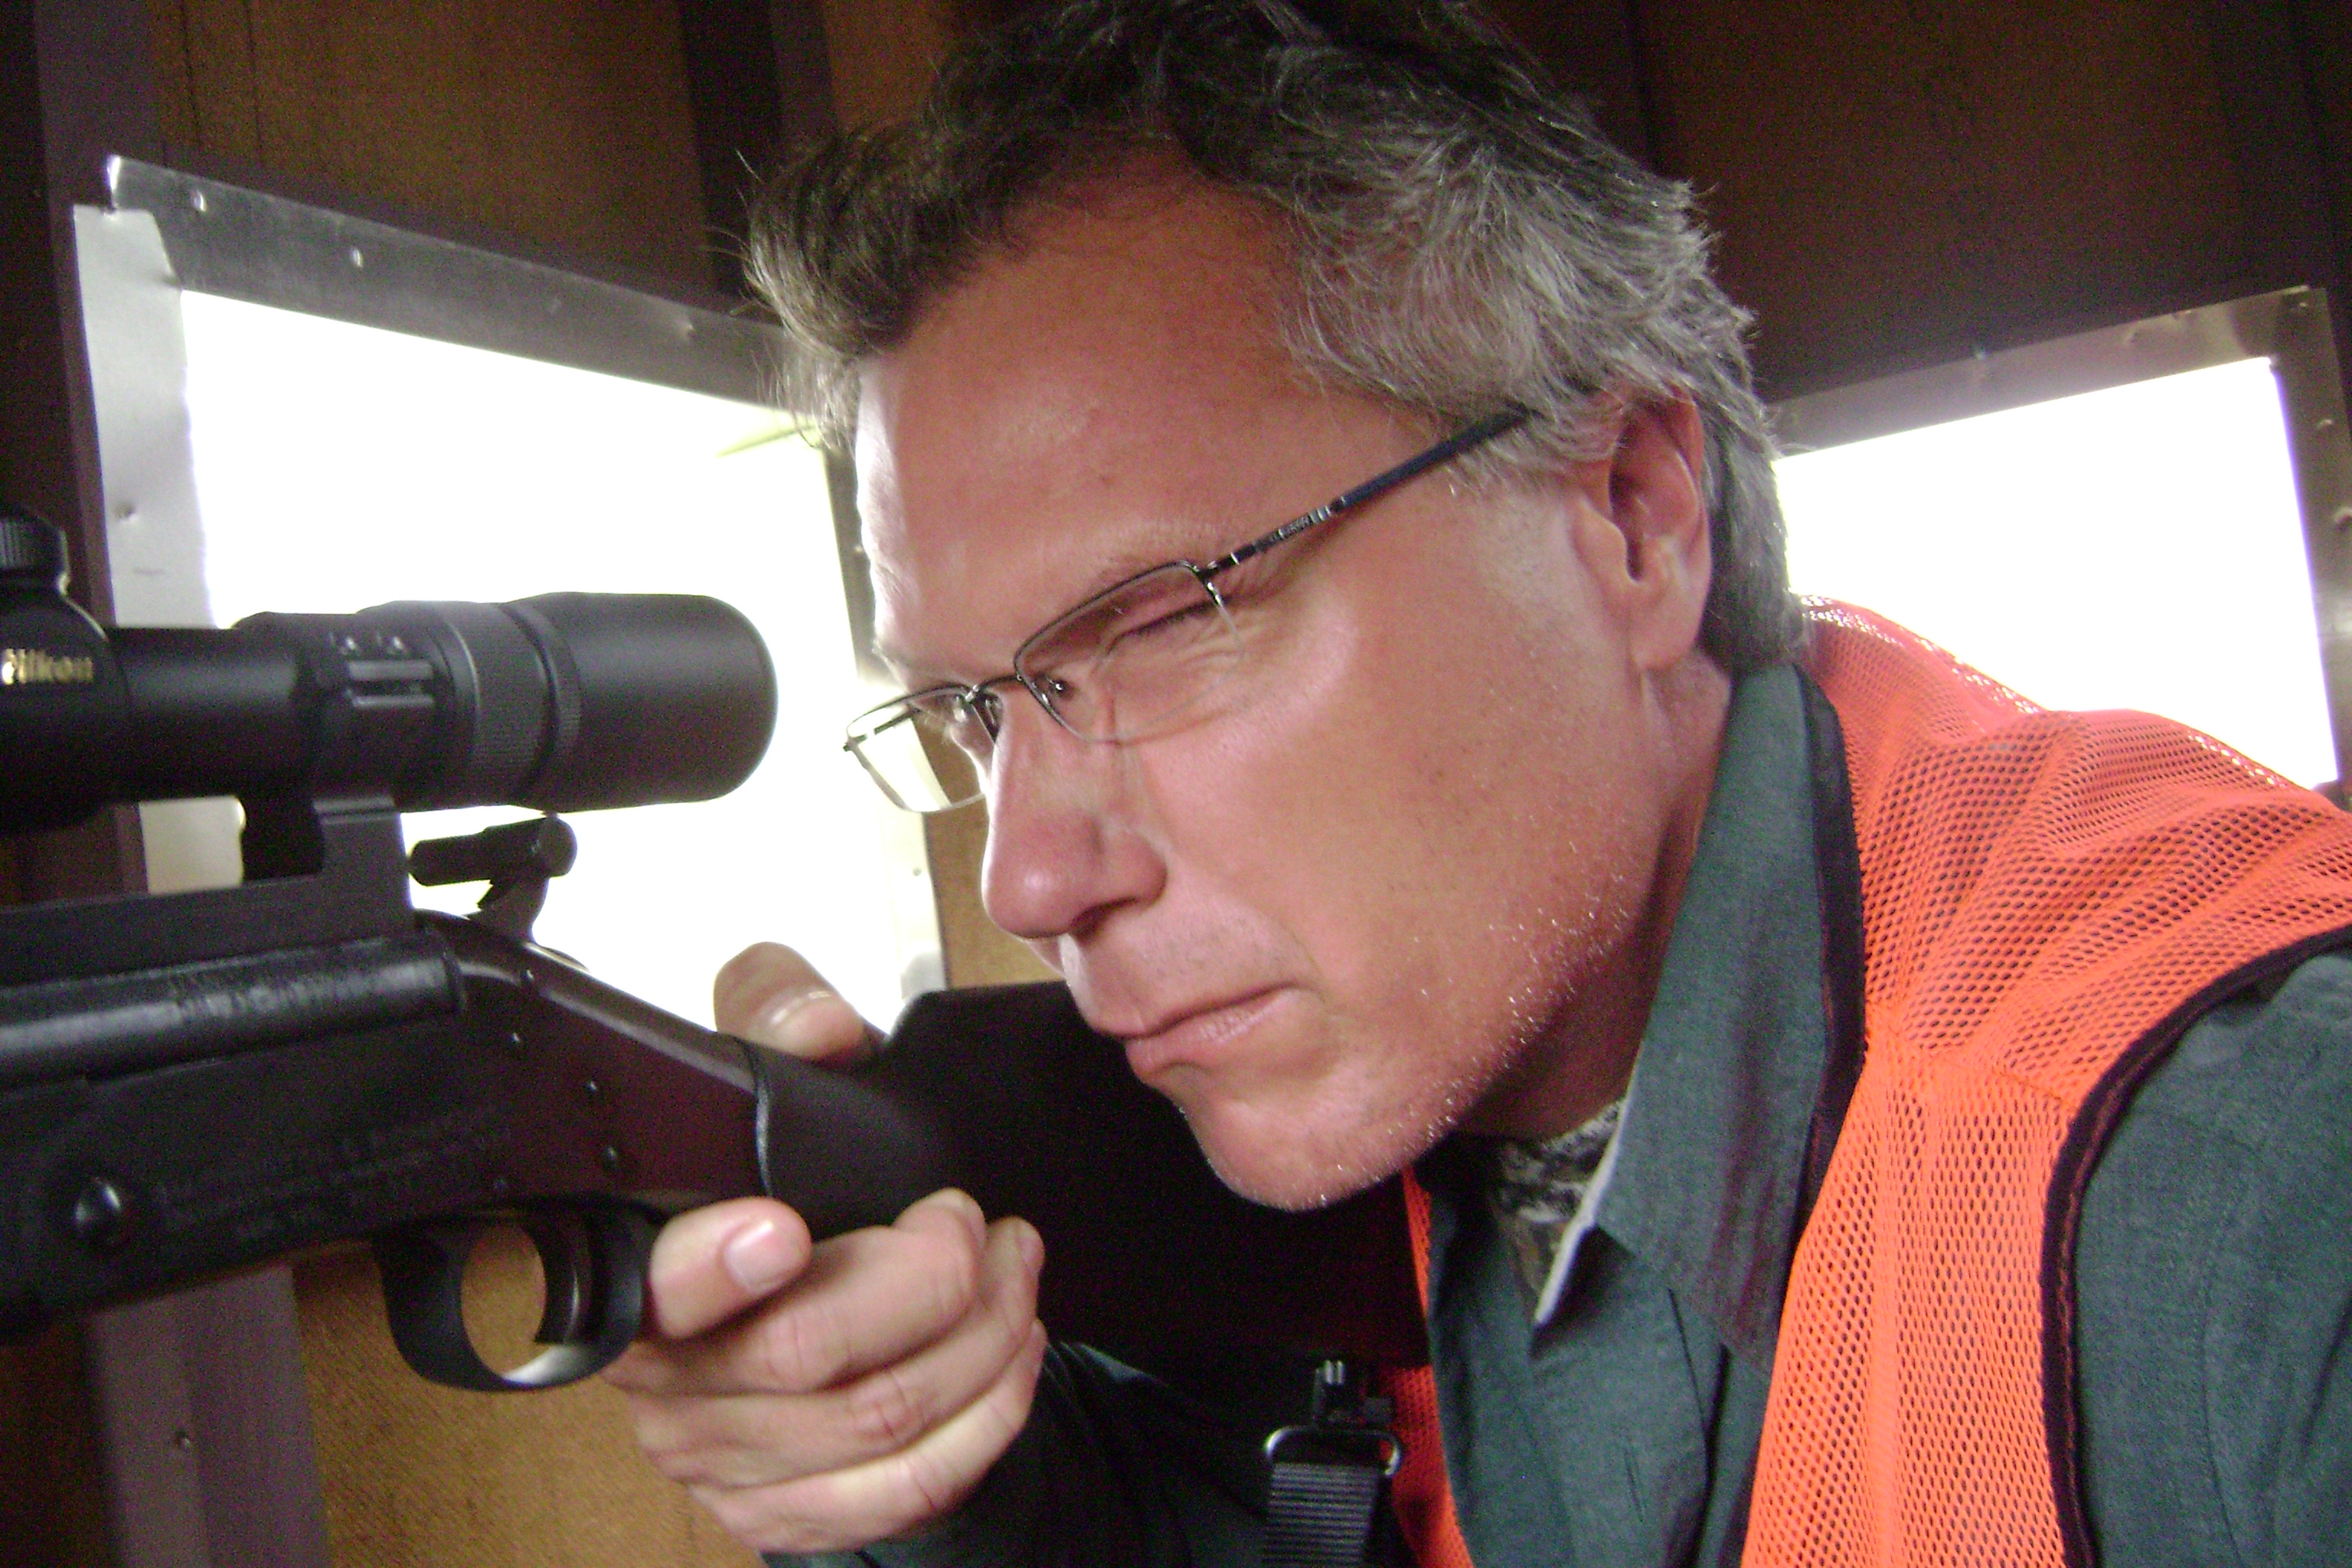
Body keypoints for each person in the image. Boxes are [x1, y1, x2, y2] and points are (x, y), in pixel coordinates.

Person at [599, 3, 2352, 1563]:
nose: (1030, 879)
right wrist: (931, 1479)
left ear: (1635, 515)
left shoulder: (2263, 1192)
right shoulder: (1299, 1149)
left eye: (1162, 622)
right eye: (976, 714)